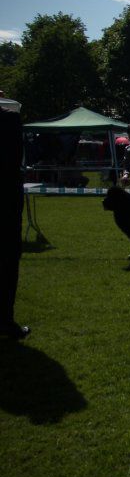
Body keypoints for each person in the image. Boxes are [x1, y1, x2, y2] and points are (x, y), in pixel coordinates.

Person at [0, 108, 30, 339]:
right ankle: (5, 321)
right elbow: (14, 160)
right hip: (6, 205)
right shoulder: (9, 119)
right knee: (8, 264)